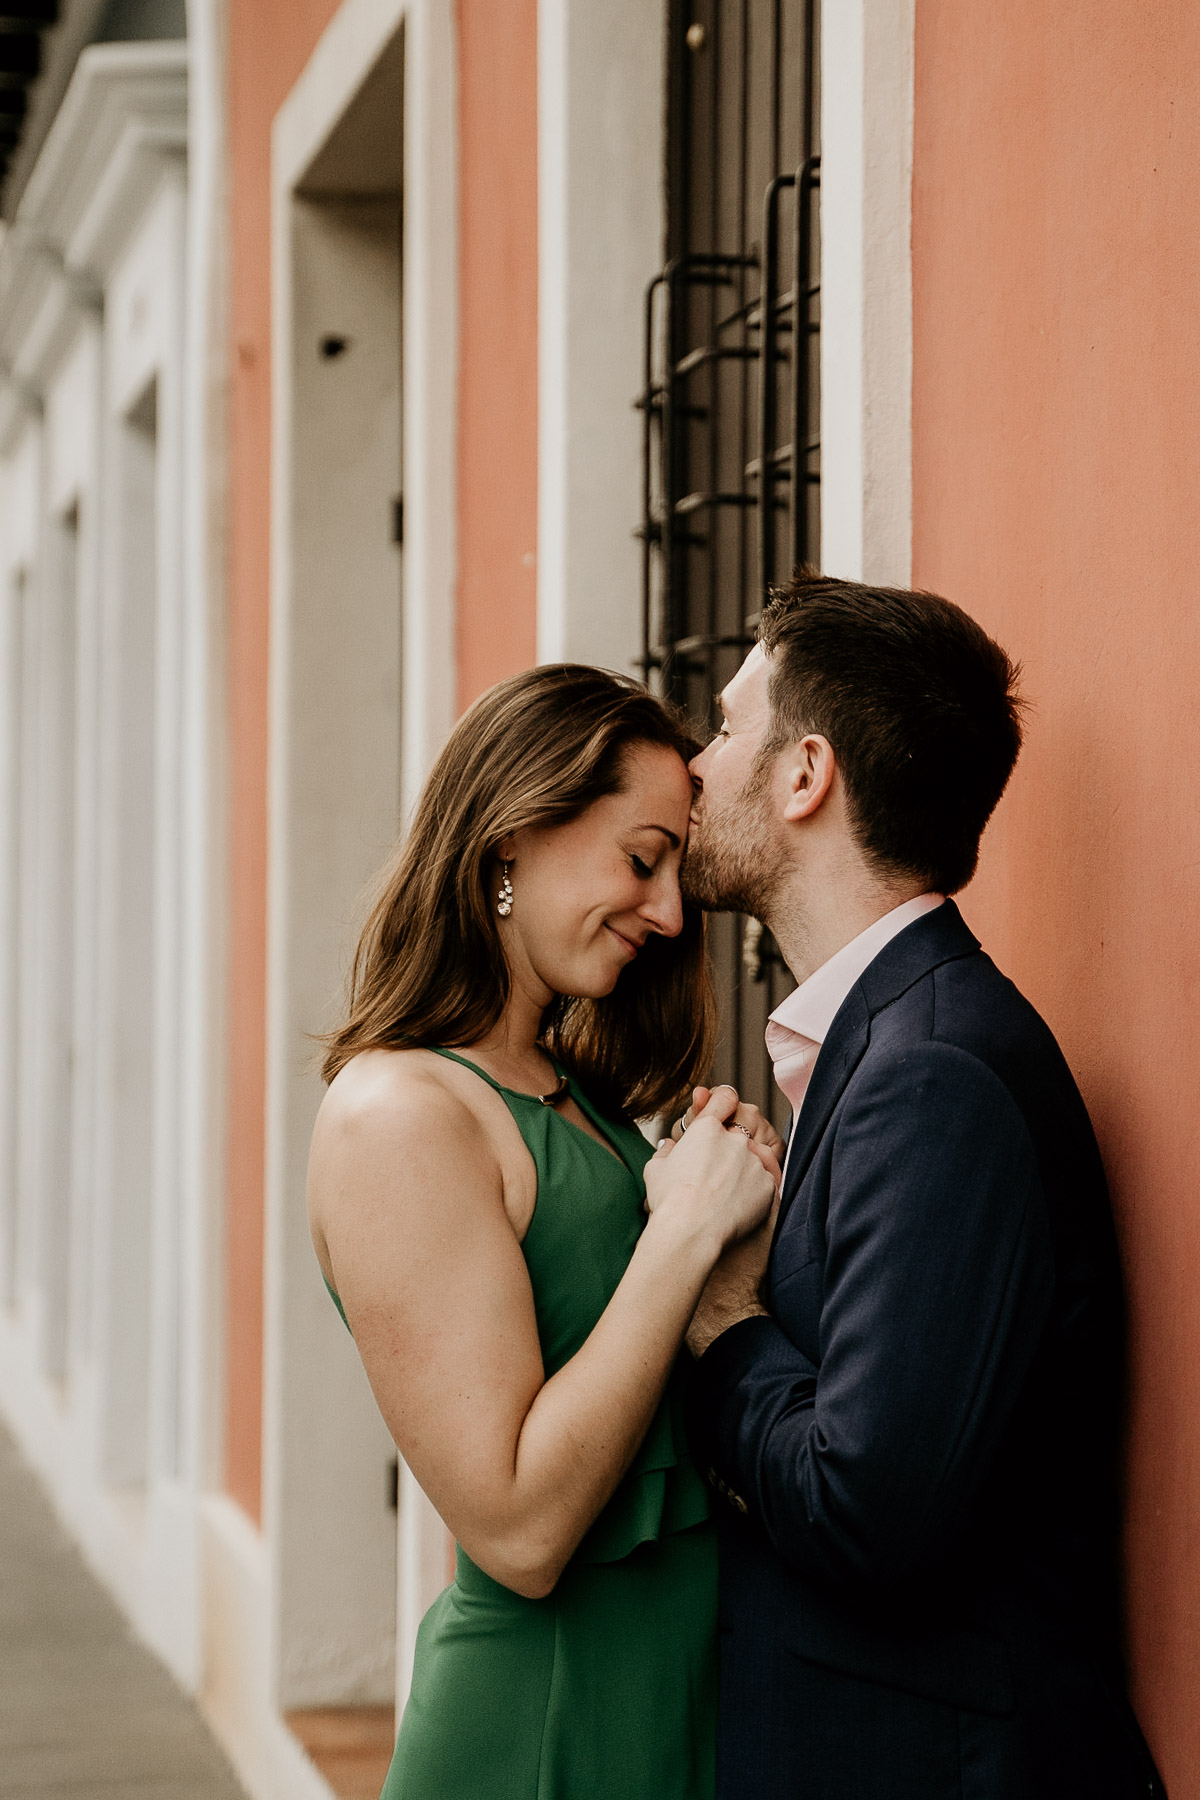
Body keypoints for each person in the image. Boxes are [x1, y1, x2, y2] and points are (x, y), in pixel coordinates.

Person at [674, 570, 1166, 1799]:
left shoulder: (931, 1071)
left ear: (806, 776)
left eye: (729, 727)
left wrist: (724, 1318)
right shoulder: (894, 1044)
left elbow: (864, 1508)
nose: (696, 763)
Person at [307, 664, 780, 1800]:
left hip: (678, 1701)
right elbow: (517, 1527)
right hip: (544, 1725)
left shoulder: (565, 1089)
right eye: (641, 858)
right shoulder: (400, 1116)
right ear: (514, 835)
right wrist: (681, 1235)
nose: (671, 914)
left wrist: (731, 1247)